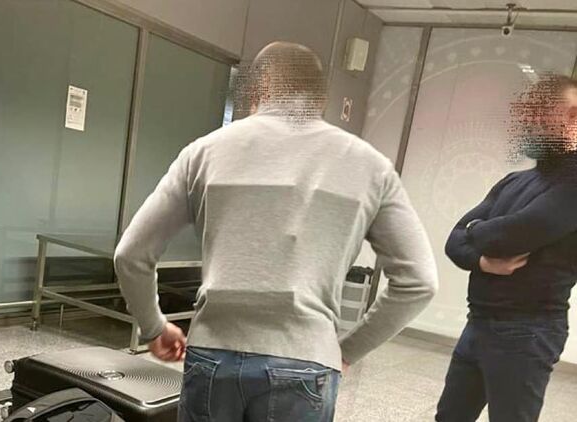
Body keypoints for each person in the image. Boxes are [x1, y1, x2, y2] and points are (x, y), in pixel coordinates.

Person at [114, 41, 438, 422]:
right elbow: (420, 282)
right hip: (306, 359)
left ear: (260, 89)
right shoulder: (372, 167)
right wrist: (346, 350)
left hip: (213, 353)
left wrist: (154, 327)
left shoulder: (203, 152)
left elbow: (131, 254)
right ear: (319, 100)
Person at [437, 74, 577, 422]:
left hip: (527, 330)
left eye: (544, 112)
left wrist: (476, 231)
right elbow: (454, 240)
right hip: (478, 321)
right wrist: (483, 262)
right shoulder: (515, 181)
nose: (531, 120)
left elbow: (512, 236)